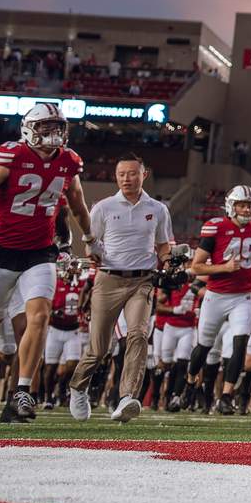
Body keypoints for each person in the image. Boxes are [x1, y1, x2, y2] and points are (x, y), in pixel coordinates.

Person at [0, 102, 90, 423]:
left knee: (39, 317)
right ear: (29, 129)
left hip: (40, 253)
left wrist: (91, 241)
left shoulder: (69, 162)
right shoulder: (12, 156)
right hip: (1, 253)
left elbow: (78, 207)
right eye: (46, 127)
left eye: (58, 127)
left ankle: (23, 390)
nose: (54, 134)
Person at [73, 156, 174, 421]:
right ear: (115, 177)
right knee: (99, 348)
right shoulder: (103, 208)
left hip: (142, 280)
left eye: (131, 173)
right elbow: (90, 244)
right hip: (108, 279)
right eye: (121, 174)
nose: (126, 178)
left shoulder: (158, 209)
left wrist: (170, 262)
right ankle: (78, 387)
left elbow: (163, 244)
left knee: (139, 334)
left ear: (144, 174)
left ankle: (128, 396)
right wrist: (92, 251)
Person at [184, 185, 251, 413]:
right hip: (216, 295)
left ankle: (226, 395)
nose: (247, 210)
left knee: (240, 342)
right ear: (231, 206)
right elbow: (197, 266)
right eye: (242, 205)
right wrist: (225, 267)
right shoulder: (215, 227)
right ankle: (190, 383)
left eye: (250, 205)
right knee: (203, 346)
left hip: (244, 296)